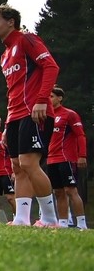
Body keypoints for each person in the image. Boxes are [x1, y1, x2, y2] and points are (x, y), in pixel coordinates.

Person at [0, 4, 61, 227]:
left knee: (29, 163)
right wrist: (7, 124)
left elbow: (51, 67)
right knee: (17, 167)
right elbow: (13, 90)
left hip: (34, 112)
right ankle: (21, 218)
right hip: (14, 116)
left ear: (11, 22)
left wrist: (42, 100)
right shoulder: (4, 56)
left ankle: (50, 219)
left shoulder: (26, 39)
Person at [47, 87, 87, 229]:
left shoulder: (69, 114)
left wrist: (82, 155)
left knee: (71, 190)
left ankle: (82, 224)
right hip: (51, 159)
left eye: (51, 96)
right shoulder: (47, 116)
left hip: (66, 158)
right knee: (58, 192)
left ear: (60, 98)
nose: (49, 99)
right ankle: (63, 223)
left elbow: (80, 135)